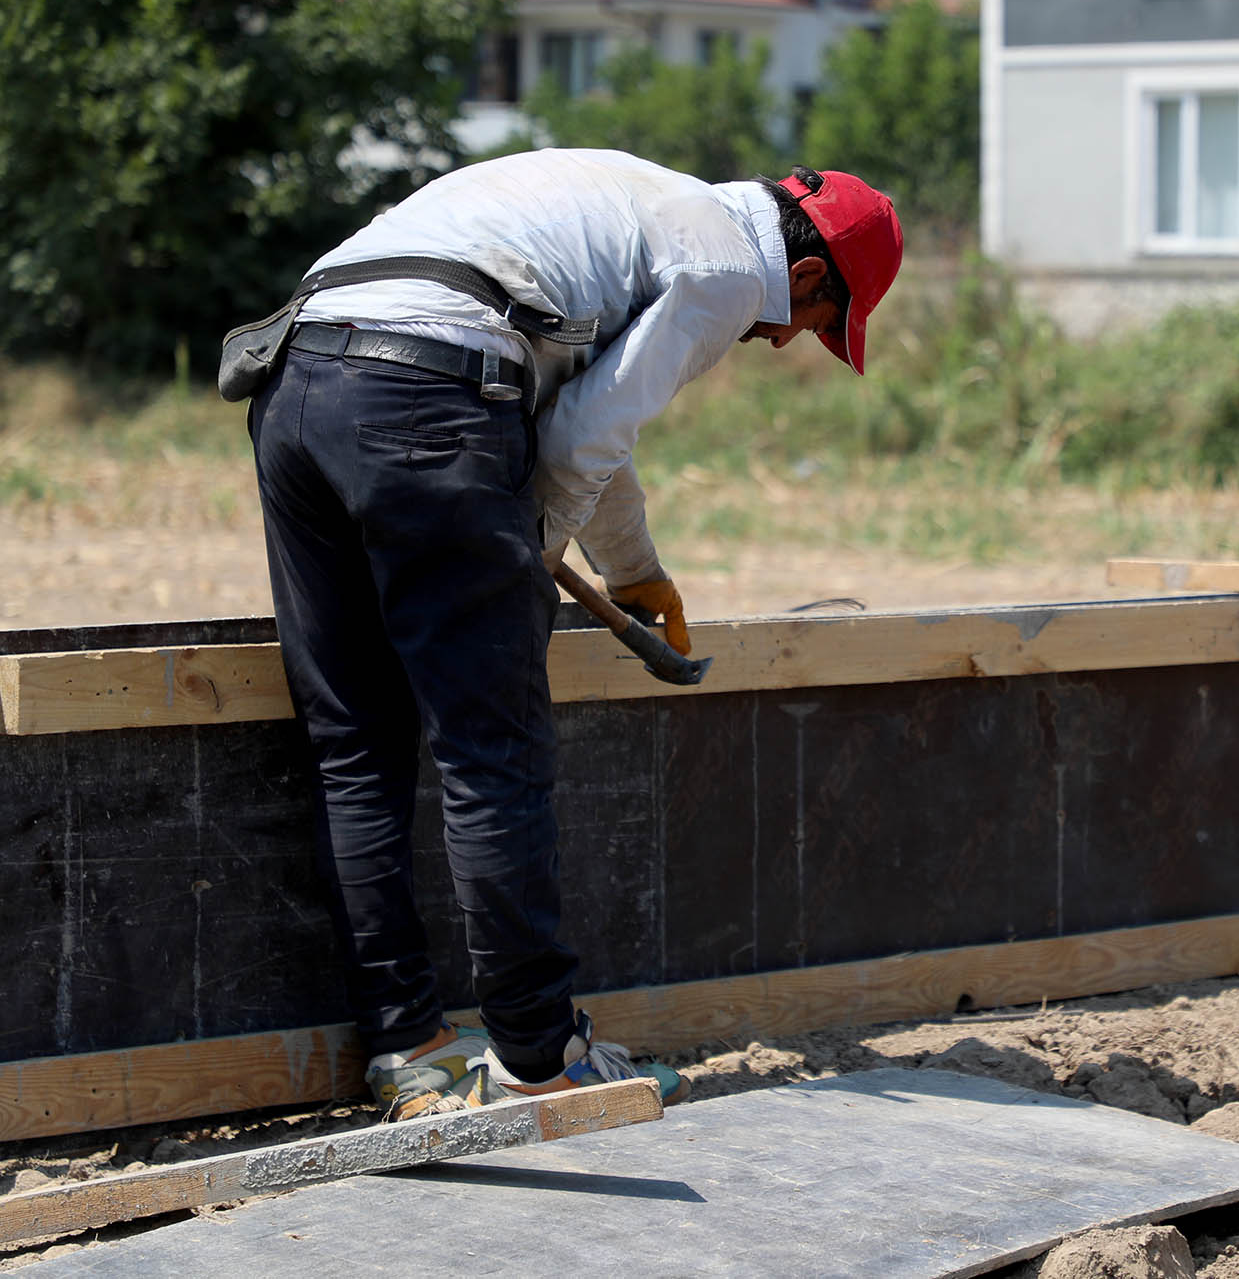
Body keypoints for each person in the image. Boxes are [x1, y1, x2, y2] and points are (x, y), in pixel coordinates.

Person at [245, 149, 902, 1119]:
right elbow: (579, 442)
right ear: (805, 274)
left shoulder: (644, 204)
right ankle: (540, 1061)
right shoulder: (726, 271)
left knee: (356, 742)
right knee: (492, 754)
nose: (783, 341)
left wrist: (632, 569)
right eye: (814, 322)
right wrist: (521, 559)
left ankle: (411, 1046)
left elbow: (589, 417)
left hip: (297, 382)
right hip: (428, 396)